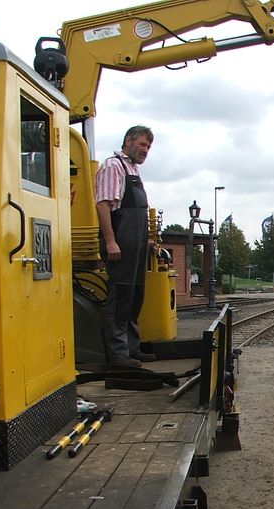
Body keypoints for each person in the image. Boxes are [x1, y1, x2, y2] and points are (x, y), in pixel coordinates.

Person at [95, 125, 157, 368]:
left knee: (134, 296)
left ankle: (132, 347)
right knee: (120, 296)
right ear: (128, 141)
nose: (145, 150)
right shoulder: (113, 166)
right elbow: (103, 205)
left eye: (148, 147)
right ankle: (119, 354)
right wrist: (111, 241)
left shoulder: (133, 169)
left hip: (136, 243)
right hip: (120, 241)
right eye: (142, 145)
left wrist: (145, 240)